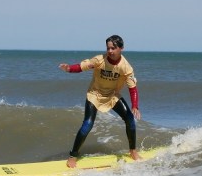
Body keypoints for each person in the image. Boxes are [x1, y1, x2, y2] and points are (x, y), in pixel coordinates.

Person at [59, 34, 141, 168]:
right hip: (95, 95)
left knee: (130, 119)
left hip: (112, 96)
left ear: (121, 49)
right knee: (87, 124)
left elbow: (133, 88)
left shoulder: (126, 67)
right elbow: (82, 66)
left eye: (113, 48)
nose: (110, 51)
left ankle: (133, 151)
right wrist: (69, 69)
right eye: (108, 48)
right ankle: (73, 156)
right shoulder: (99, 60)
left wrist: (135, 106)